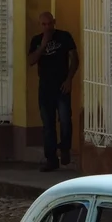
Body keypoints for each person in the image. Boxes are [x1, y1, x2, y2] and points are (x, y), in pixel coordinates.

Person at [28, 12, 79, 172]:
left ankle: (65, 148)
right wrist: (43, 45)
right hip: (45, 88)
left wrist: (69, 79)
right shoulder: (36, 40)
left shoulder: (64, 37)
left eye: (49, 23)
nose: (47, 27)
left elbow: (75, 59)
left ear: (54, 22)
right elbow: (30, 61)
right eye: (44, 24)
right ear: (40, 25)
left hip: (62, 85)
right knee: (48, 124)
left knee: (64, 120)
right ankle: (51, 159)